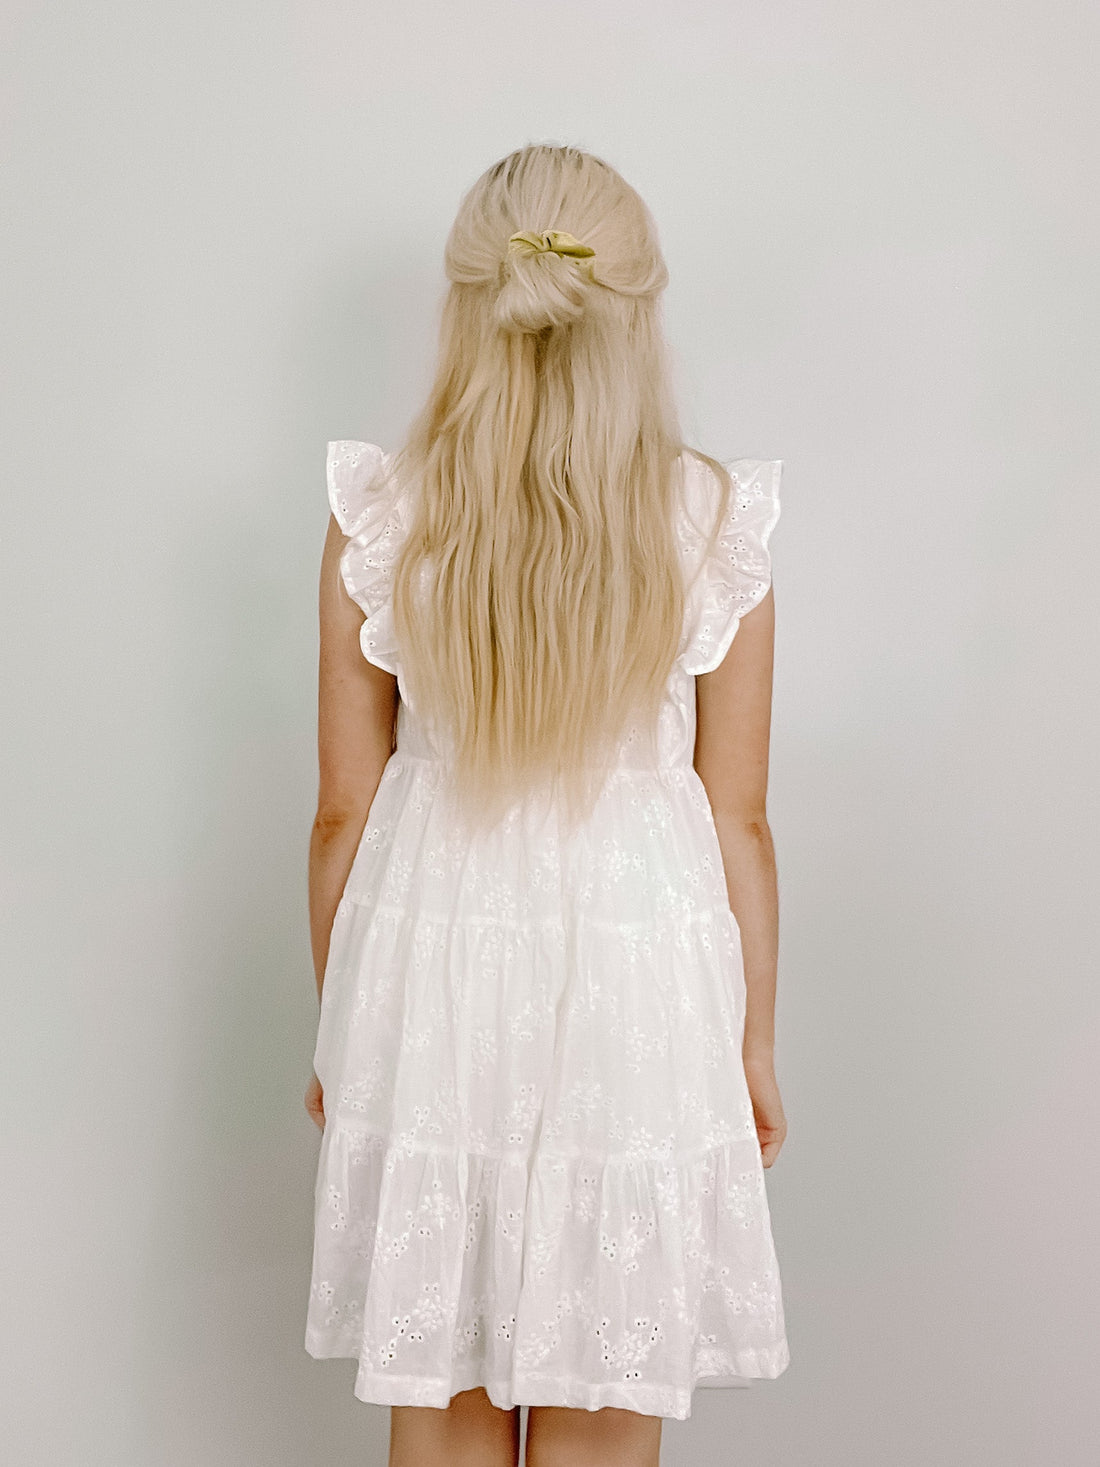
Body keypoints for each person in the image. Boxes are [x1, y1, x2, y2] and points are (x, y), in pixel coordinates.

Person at [303, 142, 789, 1467]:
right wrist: (747, 1048)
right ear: (638, 309)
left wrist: (347, 1028)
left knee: (445, 1391)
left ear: (469, 301)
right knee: (602, 1391)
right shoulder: (708, 518)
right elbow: (736, 816)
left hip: (437, 969)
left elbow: (345, 809)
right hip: (640, 982)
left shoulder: (387, 519)